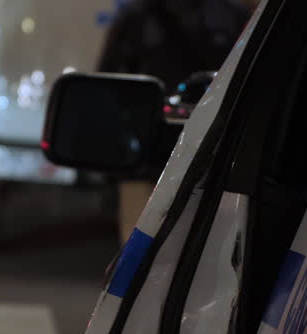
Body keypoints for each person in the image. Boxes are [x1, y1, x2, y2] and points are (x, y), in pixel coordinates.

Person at [97, 0, 251, 245]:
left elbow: (110, 84)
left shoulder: (231, 16)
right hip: (175, 161)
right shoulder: (228, 16)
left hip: (198, 161)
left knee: (146, 255)